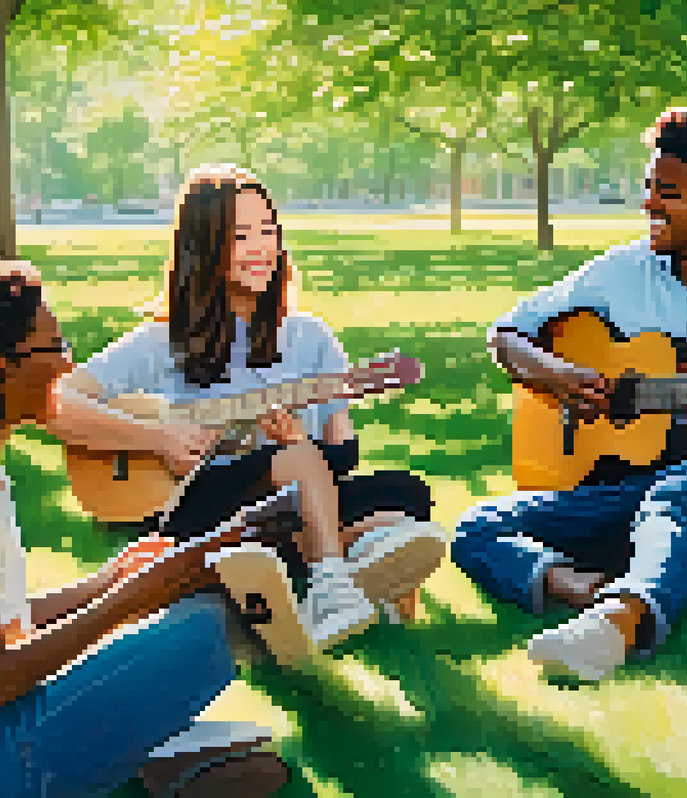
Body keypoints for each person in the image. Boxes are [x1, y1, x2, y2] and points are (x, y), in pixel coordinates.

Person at [0, 257, 290, 798]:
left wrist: (112, 579)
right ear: (3, 366)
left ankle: (145, 763)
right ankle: (144, 765)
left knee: (184, 620)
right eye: (55, 347)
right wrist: (137, 594)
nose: (69, 364)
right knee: (207, 626)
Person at [450, 108, 687, 681]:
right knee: (477, 526)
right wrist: (557, 375)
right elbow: (507, 336)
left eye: (667, 192)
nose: (648, 204)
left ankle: (619, 626)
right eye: (649, 187)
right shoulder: (620, 271)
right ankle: (585, 589)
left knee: (684, 485)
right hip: (622, 484)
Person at [50, 165, 444, 652]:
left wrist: (299, 443)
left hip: (293, 502)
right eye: (240, 236)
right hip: (202, 507)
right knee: (340, 497)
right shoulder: (162, 342)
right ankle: (333, 580)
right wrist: (159, 438)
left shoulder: (312, 339)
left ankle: (286, 574)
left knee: (407, 495)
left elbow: (342, 457)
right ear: (203, 248)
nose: (261, 248)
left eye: (268, 230)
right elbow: (59, 403)